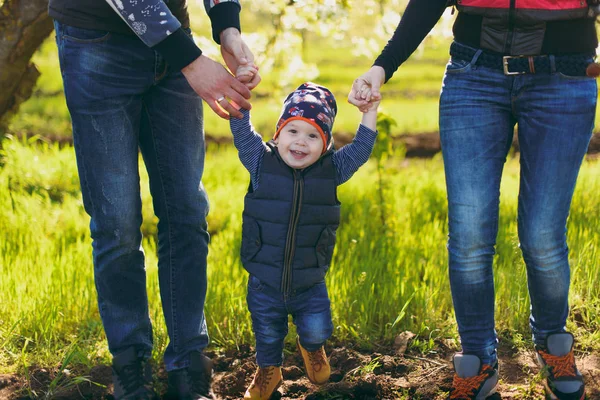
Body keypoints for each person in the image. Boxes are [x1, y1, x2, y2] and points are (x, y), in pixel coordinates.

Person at [349, 1, 597, 399]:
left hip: (565, 77)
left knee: (542, 235)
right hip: (474, 74)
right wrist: (382, 66)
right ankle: (478, 361)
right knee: (468, 237)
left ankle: (554, 345)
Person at [49, 0, 259, 398]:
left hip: (173, 43)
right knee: (117, 223)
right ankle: (130, 365)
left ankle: (188, 363)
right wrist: (193, 61)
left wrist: (227, 27)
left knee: (187, 211)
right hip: (96, 44)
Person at [228, 82, 379, 400]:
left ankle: (311, 348)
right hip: (264, 278)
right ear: (278, 134)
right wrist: (239, 95)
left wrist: (369, 112)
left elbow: (361, 150)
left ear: (325, 145)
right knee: (267, 333)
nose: (301, 142)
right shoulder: (261, 163)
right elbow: (242, 133)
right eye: (293, 131)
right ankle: (269, 371)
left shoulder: (332, 170)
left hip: (310, 279)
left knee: (317, 329)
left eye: (313, 135)